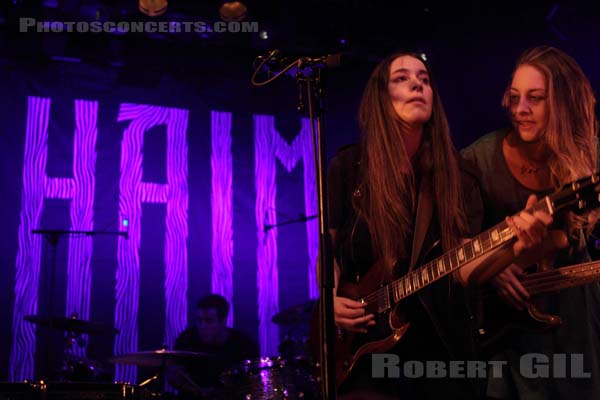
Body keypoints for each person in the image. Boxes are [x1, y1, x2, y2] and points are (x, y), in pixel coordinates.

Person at [326, 51, 552, 399]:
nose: (417, 83)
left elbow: (463, 266)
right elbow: (328, 250)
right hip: (362, 351)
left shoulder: (458, 177)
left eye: (425, 79)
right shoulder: (348, 167)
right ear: (379, 98)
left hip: (437, 351)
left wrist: (515, 245)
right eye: (402, 78)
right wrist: (330, 298)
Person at [461, 45, 600, 399]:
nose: (520, 109)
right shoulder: (479, 159)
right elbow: (453, 245)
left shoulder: (588, 158)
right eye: (515, 97)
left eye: (535, 98)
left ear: (564, 104)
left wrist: (555, 242)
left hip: (573, 319)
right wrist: (495, 267)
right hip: (506, 332)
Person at [167, 294, 260, 398]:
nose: (202, 326)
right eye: (199, 320)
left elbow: (251, 382)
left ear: (223, 321)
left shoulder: (243, 344)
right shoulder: (187, 339)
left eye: (208, 321)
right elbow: (174, 375)